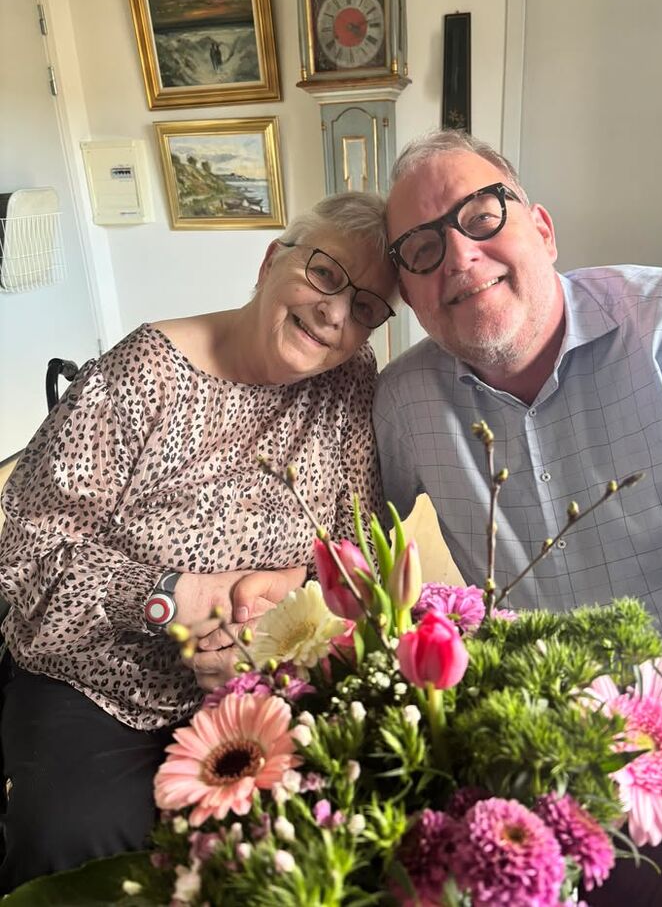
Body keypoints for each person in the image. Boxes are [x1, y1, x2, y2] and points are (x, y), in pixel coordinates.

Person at [0, 191, 398, 891]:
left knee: (337, 833)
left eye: (365, 306)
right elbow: (24, 561)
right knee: (87, 850)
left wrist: (276, 614)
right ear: (271, 261)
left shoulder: (349, 380)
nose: (337, 313)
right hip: (101, 684)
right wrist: (173, 598)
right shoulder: (140, 375)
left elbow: (353, 551)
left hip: (264, 681)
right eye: (326, 274)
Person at [373, 129, 662, 905]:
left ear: (543, 229)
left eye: (481, 214)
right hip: (537, 768)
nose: (458, 256)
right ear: (410, 295)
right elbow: (351, 550)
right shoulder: (403, 401)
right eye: (421, 249)